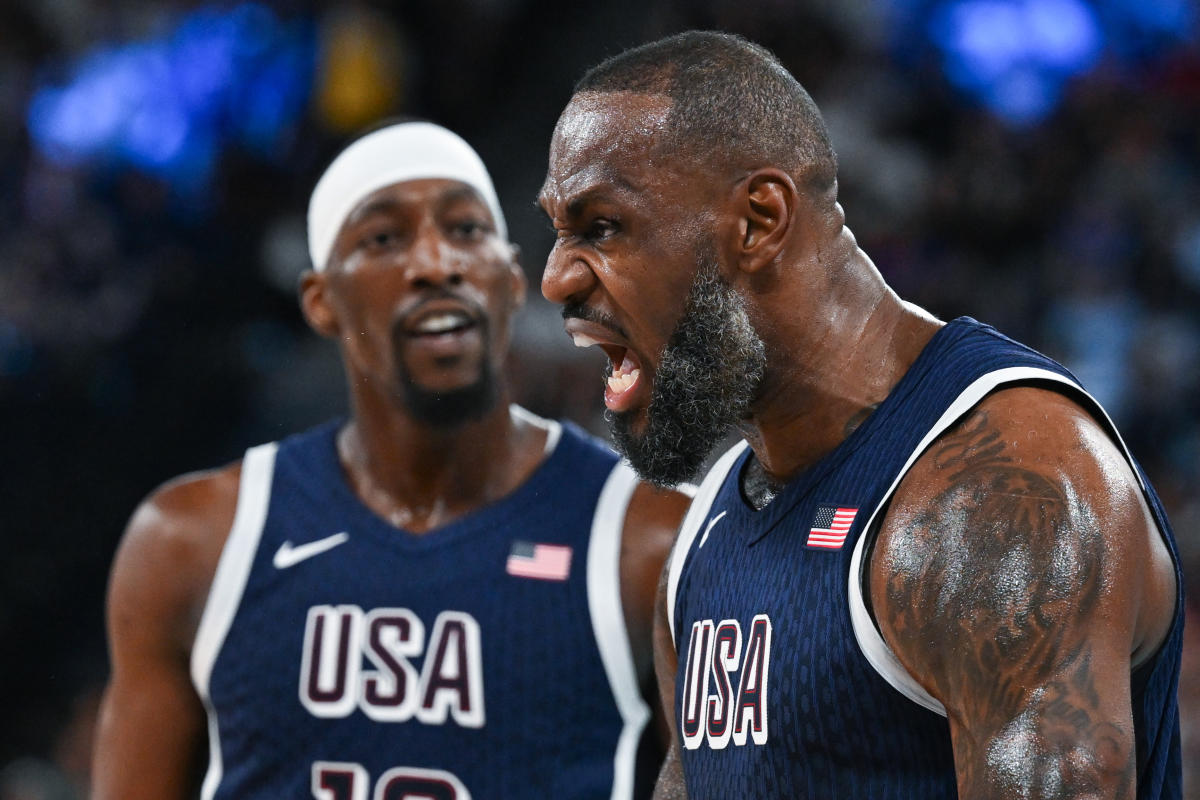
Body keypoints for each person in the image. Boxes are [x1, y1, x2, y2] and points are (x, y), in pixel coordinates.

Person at [537, 31, 1185, 800]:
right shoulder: (708, 530)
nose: (554, 279)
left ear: (758, 221)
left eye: (601, 227)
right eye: (557, 230)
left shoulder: (997, 494)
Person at [91, 120, 693, 800]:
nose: (437, 262)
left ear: (513, 279)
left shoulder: (655, 542)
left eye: (466, 230)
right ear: (321, 302)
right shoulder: (192, 539)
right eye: (384, 238)